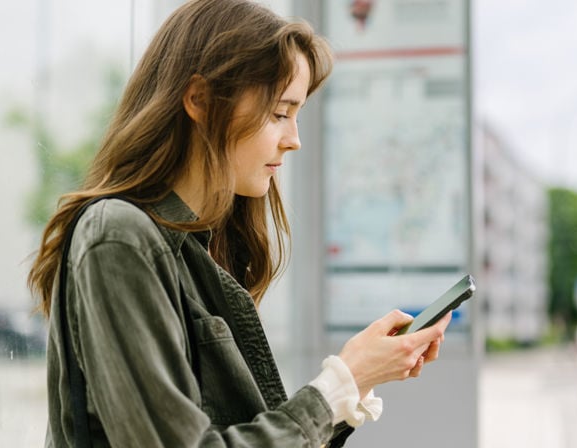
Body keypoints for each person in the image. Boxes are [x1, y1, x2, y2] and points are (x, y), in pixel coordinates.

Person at [27, 0, 452, 446]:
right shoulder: (120, 237)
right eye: (280, 113)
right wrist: (340, 384)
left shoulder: (201, 246)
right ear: (200, 100)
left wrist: (356, 384)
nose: (294, 140)